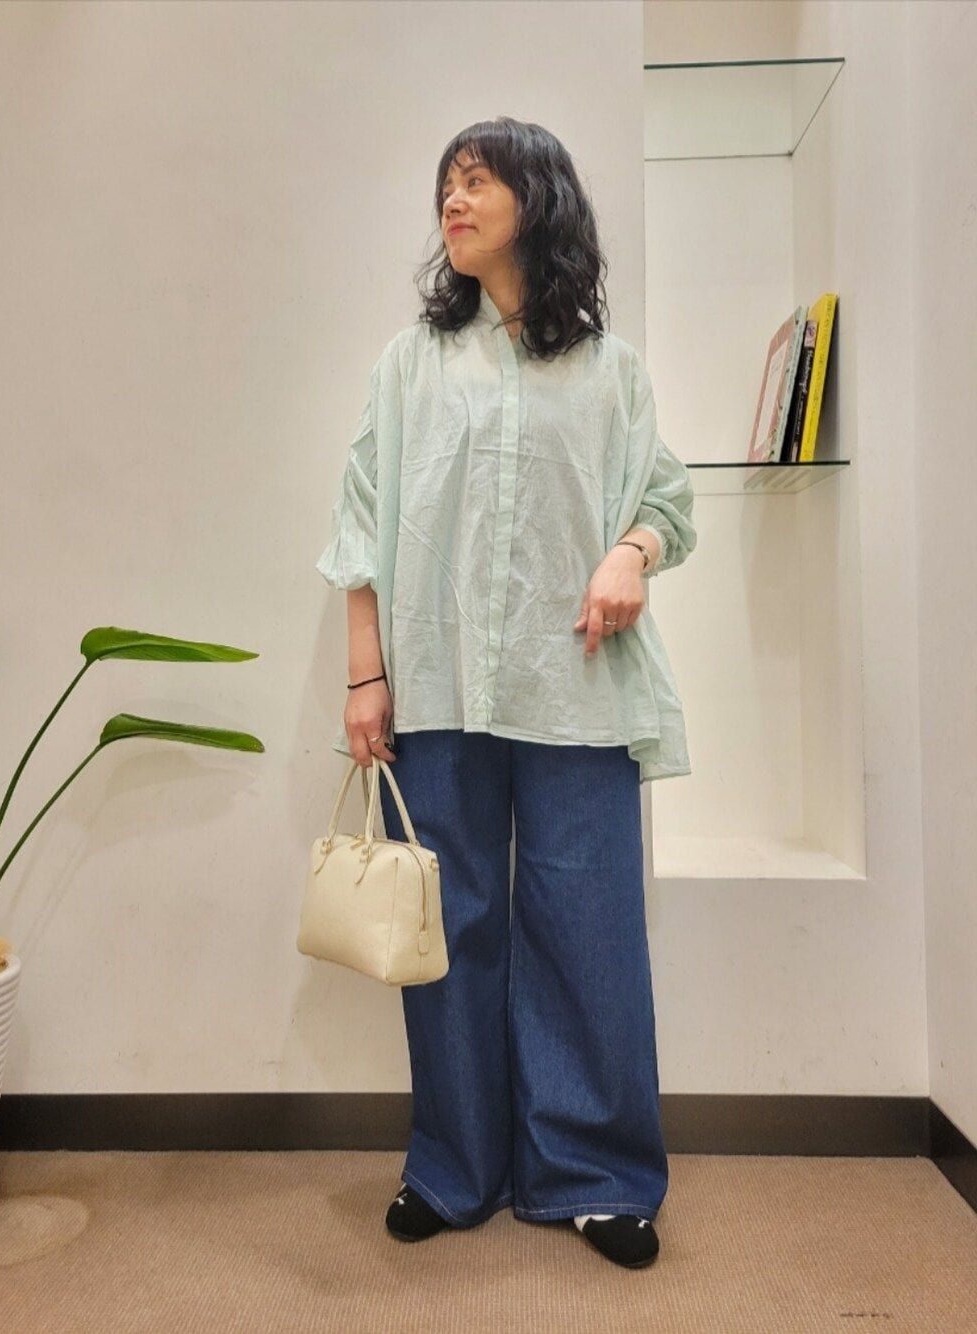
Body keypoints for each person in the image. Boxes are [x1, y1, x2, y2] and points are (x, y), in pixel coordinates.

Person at [315, 117, 697, 1270]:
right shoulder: (411, 363)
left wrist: (628, 552)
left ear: (539, 200)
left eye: (477, 180)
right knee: (450, 927)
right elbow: (359, 525)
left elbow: (666, 501)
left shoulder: (610, 370)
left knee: (587, 930)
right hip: (436, 690)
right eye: (447, 182)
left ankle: (596, 1174)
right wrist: (366, 674)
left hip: (573, 686)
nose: (454, 199)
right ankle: (453, 1165)